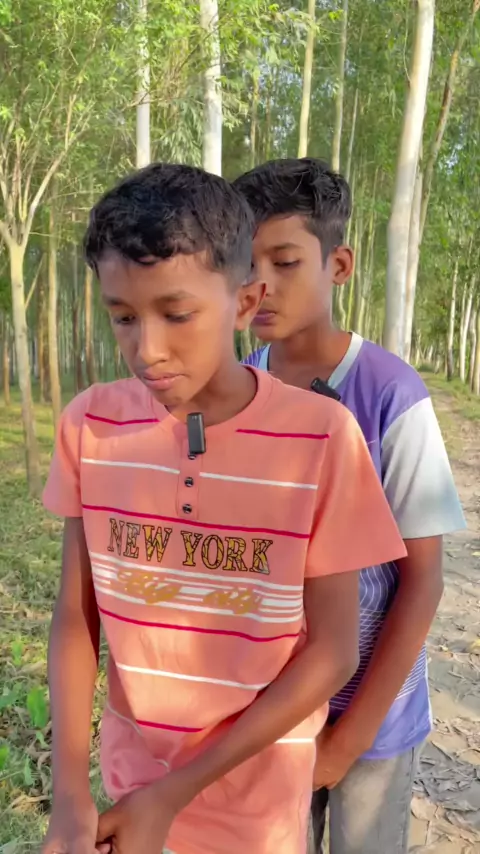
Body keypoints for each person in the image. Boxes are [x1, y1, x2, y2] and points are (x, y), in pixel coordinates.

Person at [40, 162, 406, 854]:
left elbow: (332, 651)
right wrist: (69, 796)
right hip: (127, 794)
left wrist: (173, 795)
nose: (147, 350)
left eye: (176, 314)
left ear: (245, 302)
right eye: (123, 317)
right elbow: (74, 617)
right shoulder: (91, 428)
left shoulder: (322, 439)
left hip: (256, 813)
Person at [233, 157, 465, 854]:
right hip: (271, 714)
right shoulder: (236, 393)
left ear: (338, 265)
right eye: (245, 264)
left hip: (373, 720)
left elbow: (423, 580)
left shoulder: (392, 396)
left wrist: (347, 740)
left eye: (284, 262)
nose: (261, 284)